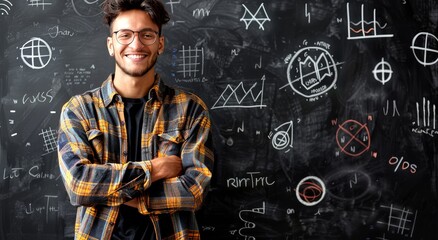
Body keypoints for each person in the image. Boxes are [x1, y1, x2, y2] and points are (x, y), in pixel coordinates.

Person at [57, 0, 214, 239]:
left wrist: (109, 191)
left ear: (160, 43)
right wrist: (155, 169)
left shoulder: (190, 109)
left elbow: (193, 192)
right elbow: (79, 186)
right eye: (125, 35)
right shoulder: (79, 111)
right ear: (111, 45)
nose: (136, 44)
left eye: (147, 35)